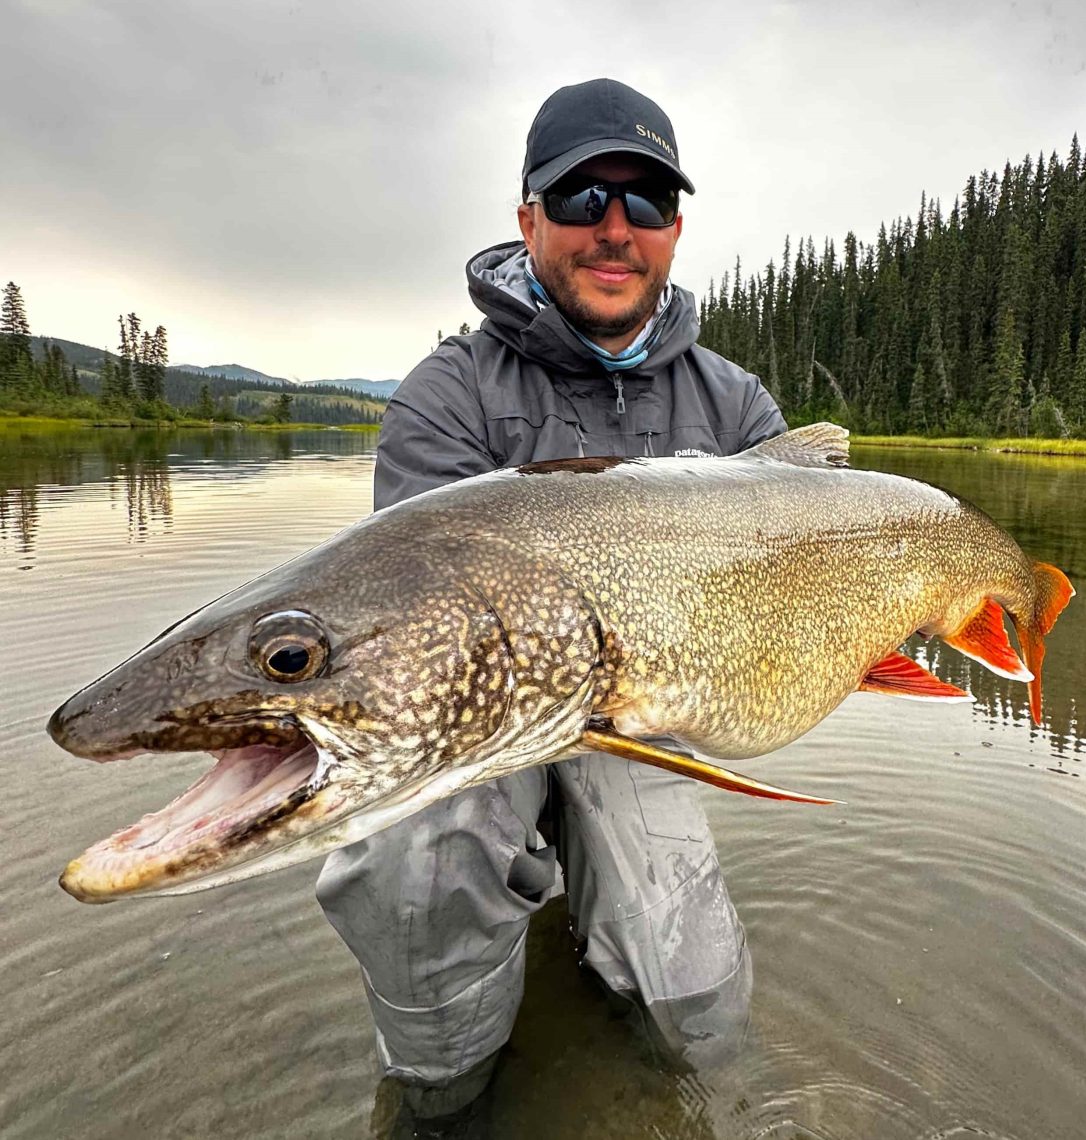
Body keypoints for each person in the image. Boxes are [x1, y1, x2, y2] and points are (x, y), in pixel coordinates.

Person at [316, 77, 787, 1137]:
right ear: (527, 218)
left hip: (643, 719)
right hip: (483, 714)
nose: (615, 230)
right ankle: (443, 1096)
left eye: (647, 203)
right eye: (582, 200)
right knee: (409, 862)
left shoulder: (739, 410)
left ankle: (692, 1072)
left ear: (675, 228)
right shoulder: (448, 398)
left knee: (692, 973)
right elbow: (417, 627)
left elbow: (771, 622)